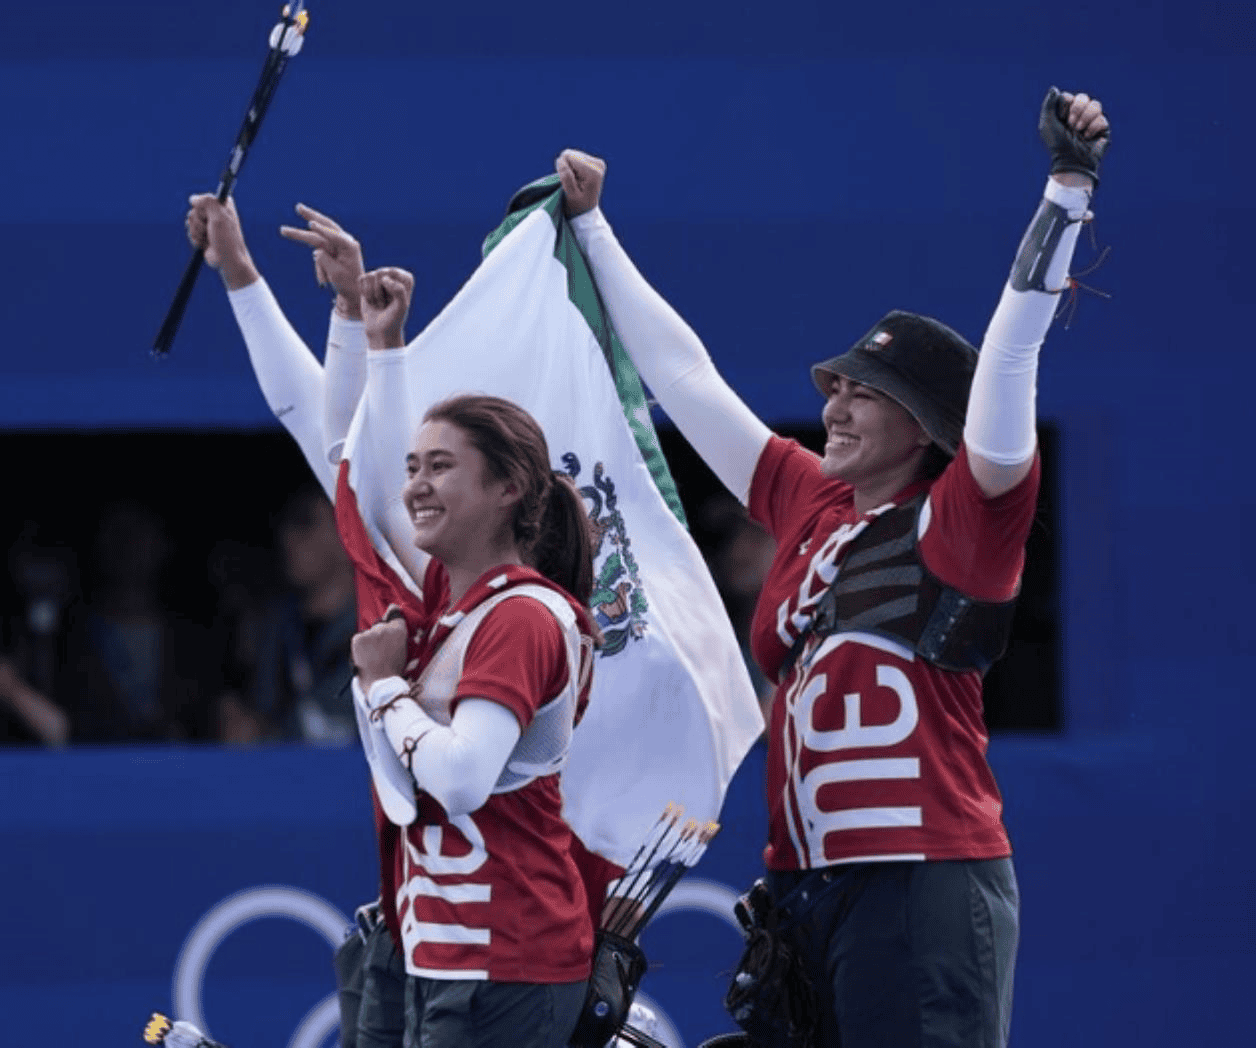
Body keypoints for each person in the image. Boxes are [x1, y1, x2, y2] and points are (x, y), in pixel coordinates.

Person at [555, 86, 1110, 1048]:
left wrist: (1065, 190)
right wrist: (594, 229)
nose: (835, 407)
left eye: (866, 393)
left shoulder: (966, 520)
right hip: (801, 887)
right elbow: (687, 381)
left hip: (922, 881)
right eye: (837, 386)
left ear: (927, 426)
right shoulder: (812, 502)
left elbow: (1010, 359)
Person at [186, 201, 604, 1047]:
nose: (413, 484)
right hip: (434, 951)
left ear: (507, 491)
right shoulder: (441, 605)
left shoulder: (521, 617)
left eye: (440, 467)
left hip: (505, 962)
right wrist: (338, 319)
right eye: (414, 466)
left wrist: (383, 690)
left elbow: (462, 780)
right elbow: (340, 444)